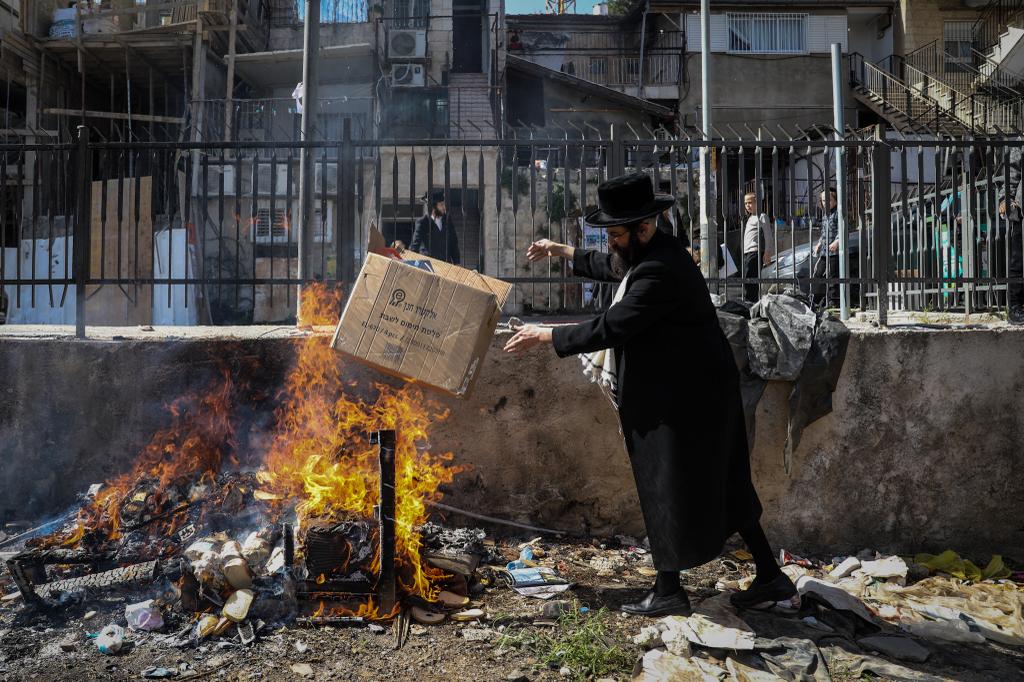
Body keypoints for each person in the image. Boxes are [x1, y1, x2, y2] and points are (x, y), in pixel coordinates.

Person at [503, 173, 795, 616]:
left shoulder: (661, 269)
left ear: (642, 227)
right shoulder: (654, 251)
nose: (613, 243)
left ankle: (670, 592)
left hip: (684, 401)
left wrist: (545, 334)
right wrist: (560, 250)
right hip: (691, 392)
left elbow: (614, 325)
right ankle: (770, 577)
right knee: (725, 488)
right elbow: (611, 267)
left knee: (668, 486)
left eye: (617, 235)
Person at [1000, 148, 1024, 325]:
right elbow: (1012, 174)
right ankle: (1015, 307)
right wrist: (1006, 200)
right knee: (1019, 261)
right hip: (1022, 213)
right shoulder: (1020, 143)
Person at [410, 190, 461, 265]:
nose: (444, 207)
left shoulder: (447, 220)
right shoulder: (423, 222)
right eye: (441, 205)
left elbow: (453, 243)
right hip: (429, 267)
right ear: (433, 207)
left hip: (446, 266)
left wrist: (457, 262)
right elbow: (414, 246)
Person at [742, 192, 774, 303]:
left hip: (755, 252)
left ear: (757, 203)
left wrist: (767, 252)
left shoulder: (762, 216)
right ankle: (749, 301)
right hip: (748, 252)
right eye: (746, 203)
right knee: (747, 278)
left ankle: (751, 302)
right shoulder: (751, 217)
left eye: (750, 202)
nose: (747, 205)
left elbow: (768, 235)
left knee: (751, 278)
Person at [811, 188, 840, 310]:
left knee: (833, 276)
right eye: (823, 200)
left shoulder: (838, 213)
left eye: (828, 200)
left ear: (835, 200)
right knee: (818, 274)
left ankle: (833, 301)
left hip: (835, 251)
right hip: (824, 251)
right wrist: (819, 244)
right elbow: (824, 233)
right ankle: (815, 299)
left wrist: (837, 241)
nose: (825, 202)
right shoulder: (825, 215)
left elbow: (843, 230)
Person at [656, 180, 691, 248]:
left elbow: (681, 232)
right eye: (669, 193)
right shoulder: (657, 214)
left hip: (678, 249)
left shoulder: (675, 211)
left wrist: (687, 247)